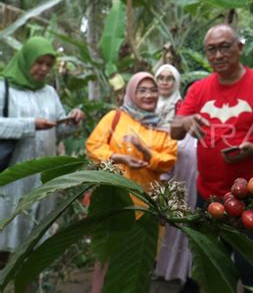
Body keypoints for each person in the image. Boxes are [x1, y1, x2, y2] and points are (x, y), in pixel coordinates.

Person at [170, 24, 253, 292]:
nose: (218, 55)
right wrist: (187, 119)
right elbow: (174, 131)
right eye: (211, 49)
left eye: (225, 46)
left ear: (240, 47)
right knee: (214, 265)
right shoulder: (199, 89)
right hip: (210, 195)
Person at [86, 72, 178, 292]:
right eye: (142, 90)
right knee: (107, 255)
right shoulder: (115, 118)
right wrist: (118, 157)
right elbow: (93, 146)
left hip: (146, 205)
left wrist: (146, 153)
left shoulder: (163, 128)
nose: (149, 95)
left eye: (153, 90)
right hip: (114, 200)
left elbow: (168, 161)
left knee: (139, 260)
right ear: (131, 92)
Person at [0, 36, 85, 268]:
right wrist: (29, 125)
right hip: (12, 176)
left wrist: (73, 120)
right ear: (25, 59)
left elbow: (58, 129)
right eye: (39, 62)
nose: (43, 69)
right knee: (6, 232)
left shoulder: (49, 92)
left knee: (31, 242)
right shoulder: (4, 87)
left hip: (41, 176)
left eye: (48, 64)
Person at [151, 64, 199, 292]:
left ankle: (187, 275)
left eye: (170, 78)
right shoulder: (146, 105)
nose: (165, 82)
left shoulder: (183, 110)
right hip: (156, 176)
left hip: (187, 179)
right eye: (161, 77)